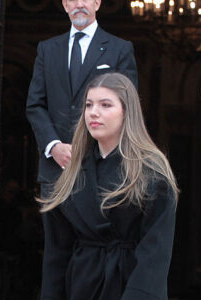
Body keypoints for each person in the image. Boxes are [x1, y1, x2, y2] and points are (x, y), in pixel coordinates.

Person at [38, 73, 178, 300]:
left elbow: (156, 249)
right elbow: (57, 250)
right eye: (88, 105)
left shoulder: (152, 171)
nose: (93, 113)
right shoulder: (71, 174)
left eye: (105, 105)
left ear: (126, 112)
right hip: (83, 297)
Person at [26, 0, 138, 192]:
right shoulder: (47, 49)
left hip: (101, 166)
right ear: (65, 5)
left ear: (97, 3)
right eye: (73, 0)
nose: (79, 4)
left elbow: (127, 106)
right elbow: (35, 105)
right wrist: (53, 147)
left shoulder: (119, 49)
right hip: (56, 168)